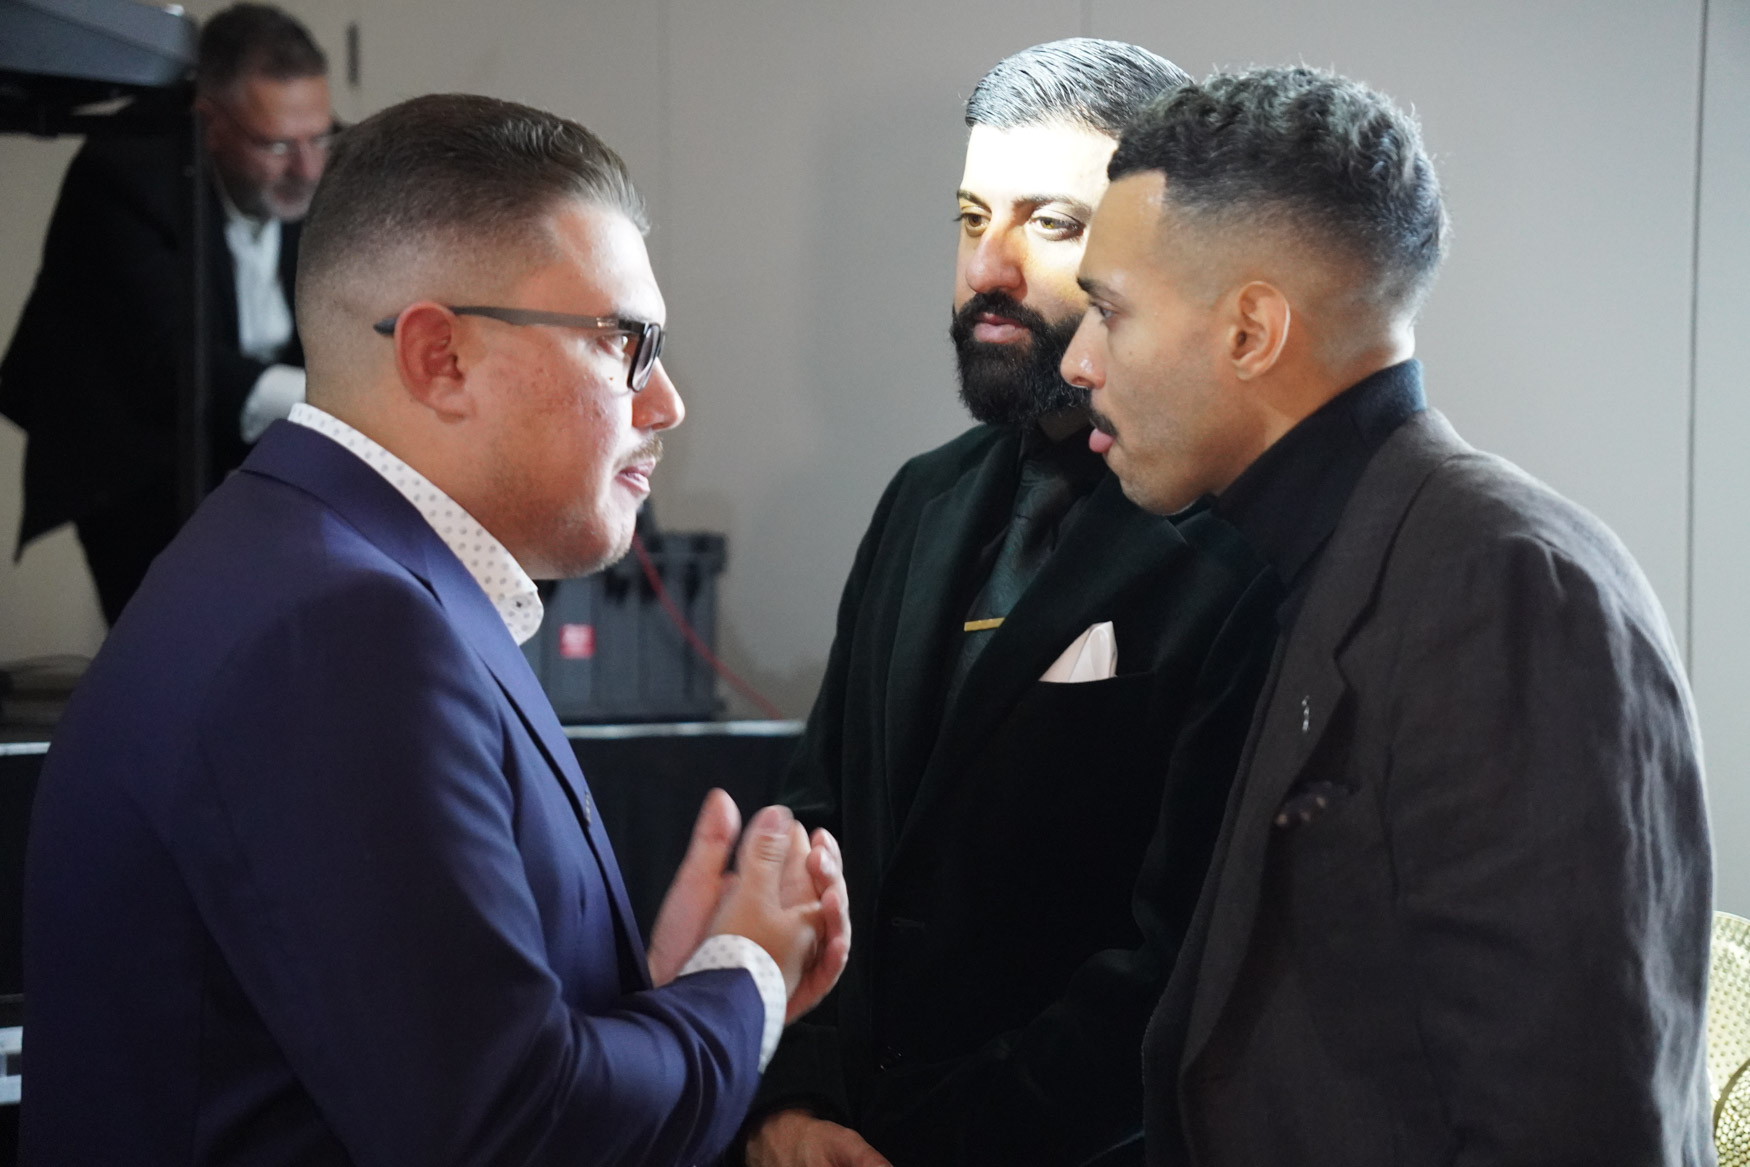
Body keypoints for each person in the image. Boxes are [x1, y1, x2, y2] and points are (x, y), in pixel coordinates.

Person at [22, 93, 851, 1166]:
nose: (665, 404)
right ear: (439, 357)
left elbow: (425, 1049)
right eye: (625, 343)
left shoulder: (311, 569)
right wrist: (745, 979)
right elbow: (506, 1129)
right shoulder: (340, 631)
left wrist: (659, 996)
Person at [1060, 66, 1714, 1164]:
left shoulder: (1509, 589)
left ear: (1250, 330)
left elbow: (1575, 1121)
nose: (1078, 360)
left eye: (1109, 311)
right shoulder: (1326, 559)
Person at [743, 40, 1280, 1167]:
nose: (987, 265)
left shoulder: (1236, 538)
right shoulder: (920, 500)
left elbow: (1178, 959)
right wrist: (792, 1099)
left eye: (1051, 223)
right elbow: (815, 820)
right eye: (970, 216)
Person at [0, 3, 333, 624]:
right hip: (137, 452)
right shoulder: (123, 173)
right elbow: (168, 361)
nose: (308, 168)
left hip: (259, 440)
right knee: (171, 636)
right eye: (277, 145)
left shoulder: (319, 170)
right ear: (209, 123)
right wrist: (336, 405)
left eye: (320, 136)